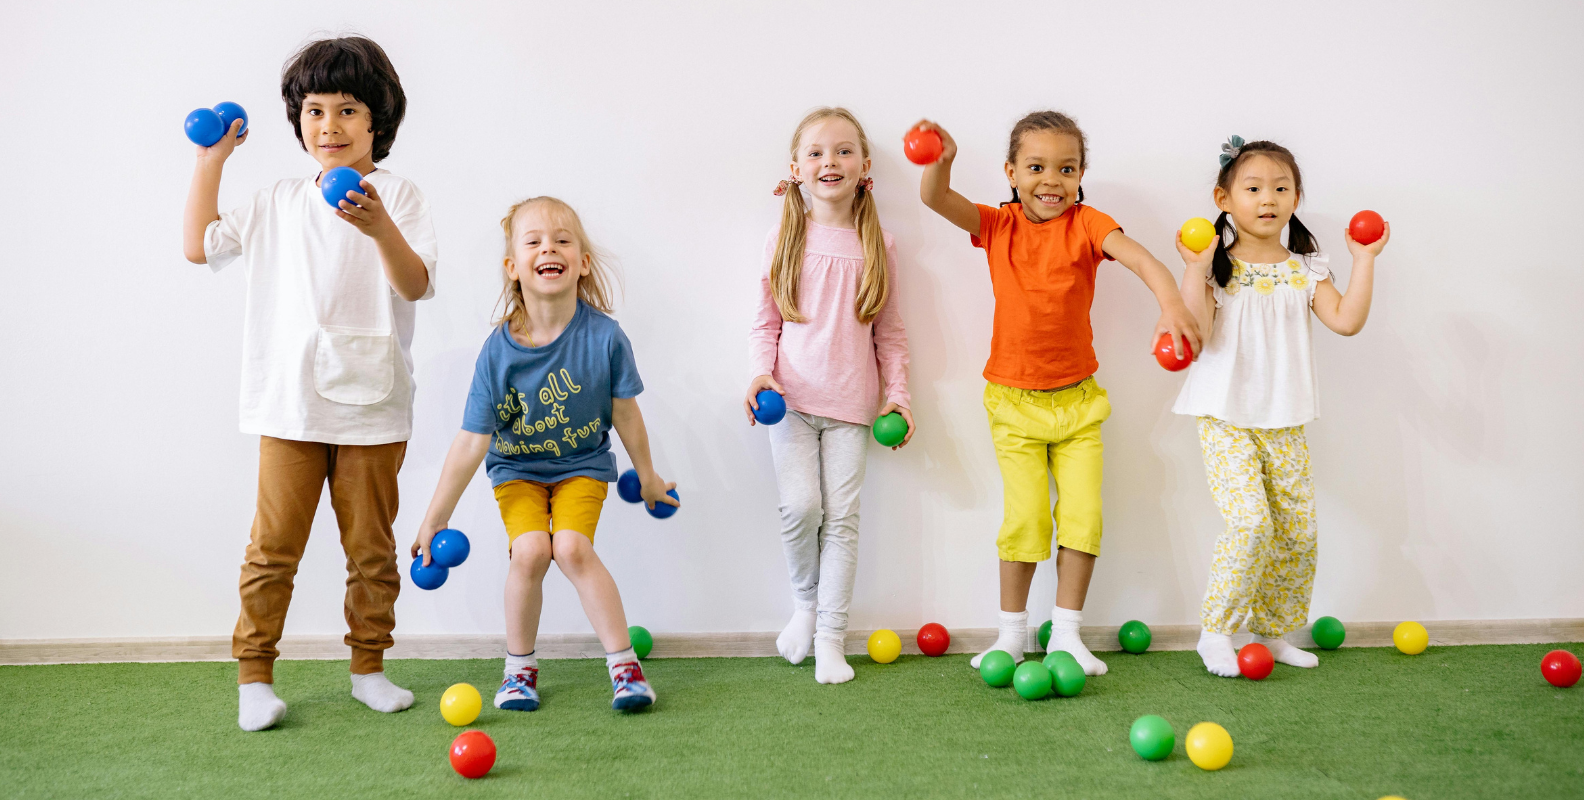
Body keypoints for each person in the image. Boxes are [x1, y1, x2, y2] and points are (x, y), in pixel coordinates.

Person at [181, 36, 436, 732]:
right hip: (289, 405)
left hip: (375, 405)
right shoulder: (274, 201)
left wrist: (379, 225)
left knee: (372, 551)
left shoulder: (399, 197)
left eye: (348, 110)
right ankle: (254, 679)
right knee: (272, 550)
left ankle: (368, 669)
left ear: (377, 120)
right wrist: (213, 159)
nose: (330, 126)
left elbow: (416, 283)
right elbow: (199, 244)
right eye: (315, 111)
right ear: (297, 121)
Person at [915, 112, 1199, 676]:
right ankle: (1012, 635)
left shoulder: (1089, 224)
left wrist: (1171, 305)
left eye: (1066, 169)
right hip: (1013, 404)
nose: (1052, 179)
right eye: (1037, 167)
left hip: (1078, 403)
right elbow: (935, 199)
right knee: (1025, 521)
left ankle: (1066, 633)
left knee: (1084, 517)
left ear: (1081, 174)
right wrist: (939, 163)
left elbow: (1142, 257)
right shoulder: (997, 225)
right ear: (1012, 173)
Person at [412, 196, 675, 712]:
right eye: (533, 241)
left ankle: (626, 669)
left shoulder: (604, 337)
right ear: (513, 268)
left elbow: (627, 415)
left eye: (562, 239)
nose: (548, 248)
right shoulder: (499, 350)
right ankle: (518, 673)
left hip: (582, 466)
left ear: (582, 262)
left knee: (572, 549)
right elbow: (472, 440)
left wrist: (648, 478)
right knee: (531, 551)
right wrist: (433, 517)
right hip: (518, 470)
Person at [1173, 137, 1386, 677]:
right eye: (1253, 188)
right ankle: (1216, 631)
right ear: (1224, 198)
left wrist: (1363, 260)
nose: (1268, 198)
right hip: (1225, 417)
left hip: (1284, 419)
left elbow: (1346, 320)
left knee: (1296, 532)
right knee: (1249, 526)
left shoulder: (1306, 269)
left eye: (1280, 187)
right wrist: (1194, 267)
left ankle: (1270, 632)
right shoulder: (1219, 268)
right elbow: (1194, 331)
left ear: (1296, 197)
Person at [746, 107, 912, 685]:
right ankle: (806, 606)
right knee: (801, 509)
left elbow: (889, 334)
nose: (829, 162)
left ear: (865, 167)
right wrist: (759, 376)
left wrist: (900, 397)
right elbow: (765, 324)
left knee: (842, 519)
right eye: (816, 153)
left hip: (850, 407)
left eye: (843, 151)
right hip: (788, 402)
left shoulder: (879, 244)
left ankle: (830, 639)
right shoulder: (783, 237)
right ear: (795, 169)